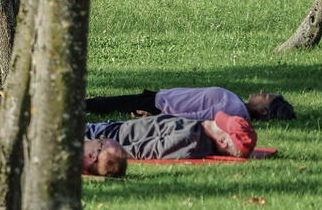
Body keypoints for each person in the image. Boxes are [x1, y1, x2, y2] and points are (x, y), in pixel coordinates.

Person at [85, 111, 257, 159]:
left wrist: (101, 149)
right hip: (113, 130)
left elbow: (144, 150)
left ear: (223, 141)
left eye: (221, 125)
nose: (215, 120)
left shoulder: (190, 139)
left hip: (107, 137)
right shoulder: (198, 132)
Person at [86, 87, 295, 121]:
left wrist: (159, 119)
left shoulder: (235, 109)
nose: (261, 92)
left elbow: (199, 118)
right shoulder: (238, 105)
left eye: (265, 96)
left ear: (264, 110)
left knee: (99, 105)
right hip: (159, 99)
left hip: (158, 106)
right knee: (100, 104)